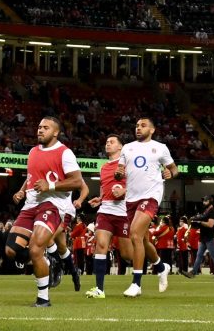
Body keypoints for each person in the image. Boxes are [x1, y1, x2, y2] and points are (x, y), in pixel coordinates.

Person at [10, 115, 87, 308]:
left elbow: (78, 182)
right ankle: (55, 263)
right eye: (39, 127)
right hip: (31, 204)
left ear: (55, 132)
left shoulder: (65, 153)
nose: (40, 130)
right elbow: (31, 177)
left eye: (45, 127)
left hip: (53, 205)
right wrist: (21, 190)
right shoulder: (33, 151)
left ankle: (43, 298)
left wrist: (50, 185)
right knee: (11, 250)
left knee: (37, 248)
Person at [119, 116, 177, 297]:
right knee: (142, 240)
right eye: (137, 125)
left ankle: (136, 283)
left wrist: (170, 173)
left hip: (151, 196)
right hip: (131, 198)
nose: (138, 128)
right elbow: (119, 173)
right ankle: (161, 267)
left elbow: (175, 169)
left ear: (152, 130)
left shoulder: (160, 148)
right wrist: (118, 174)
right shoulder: (127, 148)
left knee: (135, 234)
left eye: (143, 126)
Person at [83, 134, 128, 298]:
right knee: (100, 245)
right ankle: (99, 289)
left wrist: (125, 191)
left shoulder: (127, 165)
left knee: (127, 254)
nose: (108, 144)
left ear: (120, 147)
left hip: (124, 212)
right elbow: (104, 187)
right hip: (105, 211)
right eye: (107, 142)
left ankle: (141, 276)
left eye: (112, 142)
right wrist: (101, 198)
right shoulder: (103, 167)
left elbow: (139, 186)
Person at [192, 199, 214, 277]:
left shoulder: (212, 212)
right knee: (199, 255)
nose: (203, 202)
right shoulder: (206, 212)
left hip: (210, 237)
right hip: (203, 236)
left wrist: (199, 222)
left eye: (205, 201)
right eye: (203, 201)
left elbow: (210, 225)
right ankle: (193, 272)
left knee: (213, 255)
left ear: (210, 202)